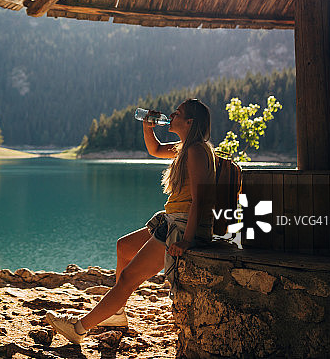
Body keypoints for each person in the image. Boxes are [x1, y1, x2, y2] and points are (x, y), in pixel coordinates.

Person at [45, 99, 216, 345]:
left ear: (189, 122)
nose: (171, 115)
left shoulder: (197, 151)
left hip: (181, 227)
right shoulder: (185, 147)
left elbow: (200, 199)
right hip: (172, 219)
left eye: (177, 113)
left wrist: (187, 241)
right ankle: (115, 313)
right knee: (124, 247)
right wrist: (147, 128)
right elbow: (155, 150)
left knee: (128, 278)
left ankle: (78, 329)